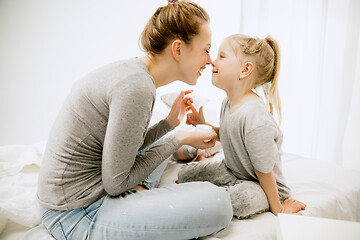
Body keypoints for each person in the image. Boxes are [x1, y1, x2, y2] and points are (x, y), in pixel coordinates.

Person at [37, 1, 233, 239]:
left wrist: (169, 124)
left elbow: (125, 147)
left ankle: (142, 188)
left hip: (70, 196)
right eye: (206, 49)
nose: (210, 60)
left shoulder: (135, 74)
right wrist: (179, 136)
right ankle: (141, 192)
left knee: (161, 146)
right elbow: (116, 183)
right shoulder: (137, 88)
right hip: (76, 214)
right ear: (178, 49)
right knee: (220, 203)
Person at [178, 34, 307, 218]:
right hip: (233, 170)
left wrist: (278, 208)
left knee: (241, 200)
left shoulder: (255, 116)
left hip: (262, 184)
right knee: (185, 175)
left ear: (245, 69)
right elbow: (229, 135)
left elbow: (264, 170)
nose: (212, 62)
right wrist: (203, 124)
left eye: (221, 56)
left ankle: (208, 202)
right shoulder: (228, 102)